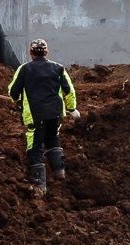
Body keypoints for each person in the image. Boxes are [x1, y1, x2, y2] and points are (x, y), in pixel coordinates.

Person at [5, 39, 78, 191]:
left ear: (31, 53)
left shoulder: (25, 69)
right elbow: (69, 90)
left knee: (35, 145)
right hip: (55, 113)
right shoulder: (58, 68)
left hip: (35, 114)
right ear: (46, 52)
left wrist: (17, 101)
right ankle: (59, 172)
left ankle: (39, 184)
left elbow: (13, 91)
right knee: (52, 138)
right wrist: (72, 108)